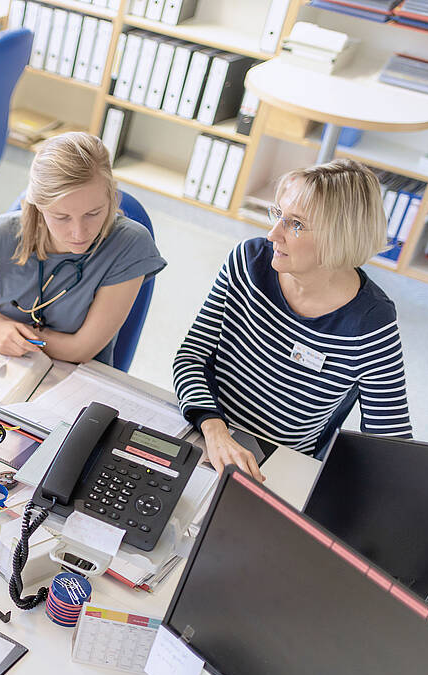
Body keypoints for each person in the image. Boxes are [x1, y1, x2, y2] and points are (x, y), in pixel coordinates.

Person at [173, 159, 413, 479]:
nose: (273, 234)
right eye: (278, 214)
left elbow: (390, 442)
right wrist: (216, 432)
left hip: (278, 466)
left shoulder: (370, 322)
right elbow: (190, 357)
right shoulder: (248, 262)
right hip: (204, 428)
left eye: (295, 224)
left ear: (339, 236)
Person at [0, 132, 164, 363]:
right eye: (62, 217)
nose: (79, 233)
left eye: (93, 213)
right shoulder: (4, 233)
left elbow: (79, 350)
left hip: (76, 380)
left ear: (111, 197)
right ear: (38, 205)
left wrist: (2, 320)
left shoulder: (129, 245)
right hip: (0, 363)